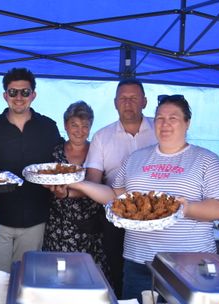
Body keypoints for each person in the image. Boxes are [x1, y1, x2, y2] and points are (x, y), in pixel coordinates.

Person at [66, 94, 219, 301]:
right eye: (160, 118)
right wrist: (76, 183)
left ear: (187, 123)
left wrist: (186, 209)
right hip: (139, 261)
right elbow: (116, 196)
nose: (165, 124)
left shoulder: (206, 159)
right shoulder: (136, 158)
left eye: (173, 118)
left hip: (190, 262)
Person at [0, 67, 63, 272]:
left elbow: (59, 164)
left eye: (25, 92)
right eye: (13, 92)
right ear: (5, 95)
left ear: (33, 95)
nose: (19, 97)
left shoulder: (48, 127)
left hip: (35, 218)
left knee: (25, 281)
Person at [84, 78, 157, 296]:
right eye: (123, 99)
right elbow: (93, 178)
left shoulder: (160, 128)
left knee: (156, 269)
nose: (128, 103)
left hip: (154, 214)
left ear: (144, 101)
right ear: (115, 103)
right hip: (115, 211)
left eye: (133, 98)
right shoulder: (102, 136)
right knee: (117, 268)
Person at [42, 101, 108, 275]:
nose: (80, 130)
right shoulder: (54, 153)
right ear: (65, 125)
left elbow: (97, 184)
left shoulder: (98, 150)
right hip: (59, 227)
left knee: (89, 276)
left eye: (85, 126)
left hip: (90, 228)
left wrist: (66, 193)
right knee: (58, 276)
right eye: (74, 125)